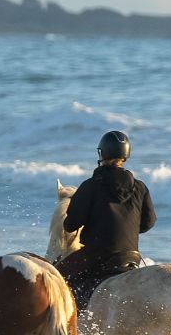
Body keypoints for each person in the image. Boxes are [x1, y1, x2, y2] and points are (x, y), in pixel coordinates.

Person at [57, 130, 155, 307]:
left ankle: (68, 324)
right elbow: (149, 222)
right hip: (130, 257)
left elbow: (71, 225)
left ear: (102, 153)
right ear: (125, 155)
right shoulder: (140, 187)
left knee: (55, 278)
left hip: (97, 256)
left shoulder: (91, 186)